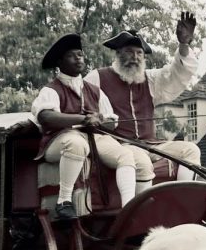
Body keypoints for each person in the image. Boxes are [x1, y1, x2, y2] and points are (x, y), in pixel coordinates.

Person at [32, 33, 141, 220]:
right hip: (58, 141)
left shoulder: (94, 91)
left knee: (126, 155)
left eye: (80, 54)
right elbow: (46, 116)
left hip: (93, 138)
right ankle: (63, 201)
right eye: (72, 55)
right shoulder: (51, 89)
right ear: (60, 61)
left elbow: (112, 122)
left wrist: (100, 119)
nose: (78, 58)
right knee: (76, 143)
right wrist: (82, 119)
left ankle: (128, 209)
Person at [84, 12, 201, 185]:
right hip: (120, 146)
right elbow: (81, 109)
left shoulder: (150, 79)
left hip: (152, 145)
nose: (135, 57)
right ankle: (142, 211)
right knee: (141, 162)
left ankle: (183, 201)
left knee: (191, 150)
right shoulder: (97, 78)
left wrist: (183, 44)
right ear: (118, 54)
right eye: (129, 52)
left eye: (139, 53)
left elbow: (176, 73)